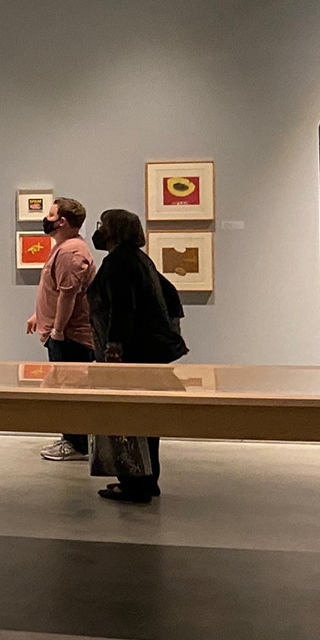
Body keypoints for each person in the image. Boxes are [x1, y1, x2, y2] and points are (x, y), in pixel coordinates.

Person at [89, 208, 188, 503]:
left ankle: (135, 483)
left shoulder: (118, 261)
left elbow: (122, 307)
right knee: (145, 420)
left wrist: (114, 350)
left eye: (103, 225)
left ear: (114, 231)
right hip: (147, 352)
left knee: (129, 419)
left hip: (131, 354)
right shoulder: (140, 258)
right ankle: (147, 479)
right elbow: (170, 295)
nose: (99, 230)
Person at [26, 196, 96, 461]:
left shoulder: (70, 253)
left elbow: (68, 295)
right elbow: (56, 290)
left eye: (51, 214)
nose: (47, 219)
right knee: (66, 388)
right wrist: (39, 314)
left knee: (70, 390)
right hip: (64, 333)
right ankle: (71, 438)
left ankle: (77, 444)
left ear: (62, 221)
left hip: (70, 337)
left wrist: (57, 330)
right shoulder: (64, 248)